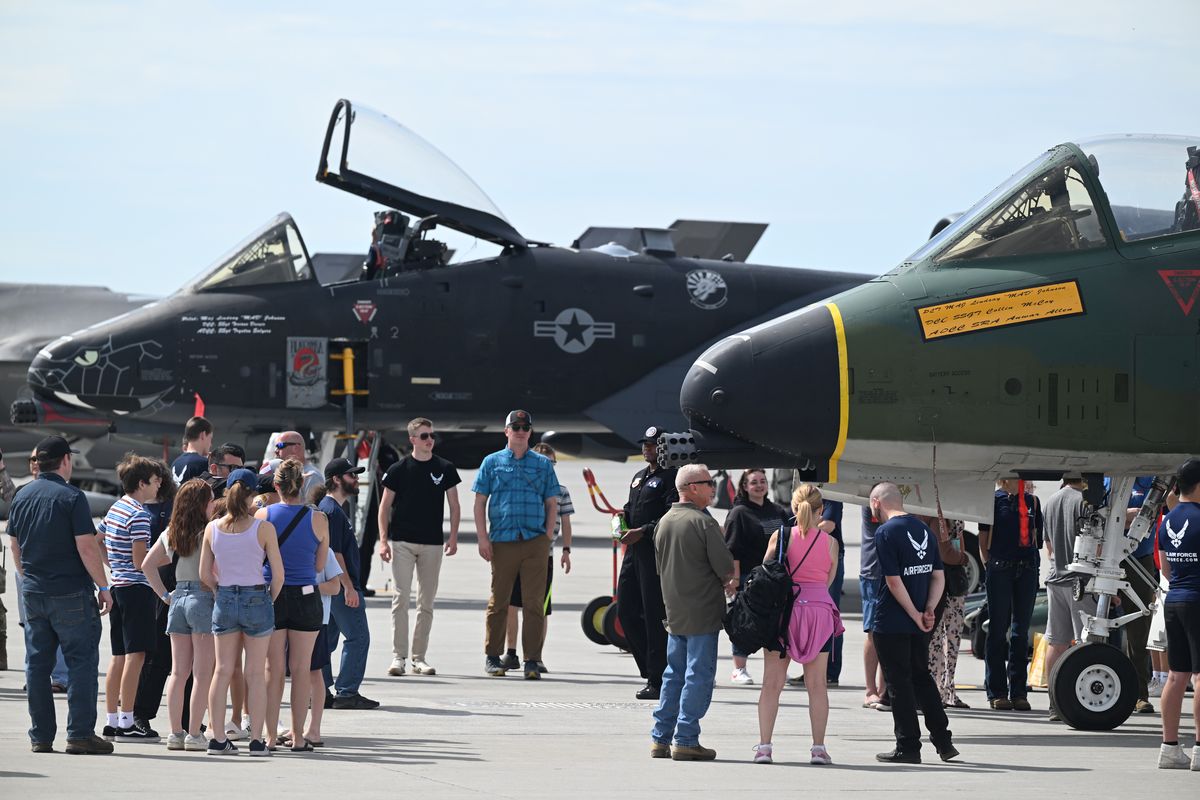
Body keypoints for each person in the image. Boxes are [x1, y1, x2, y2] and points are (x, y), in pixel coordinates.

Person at [7, 436, 114, 755]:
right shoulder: (72, 496)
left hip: (34, 592)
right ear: (65, 461)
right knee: (81, 662)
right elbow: (86, 545)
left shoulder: (22, 494)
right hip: (70, 593)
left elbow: (15, 545)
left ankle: (40, 735)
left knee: (37, 666)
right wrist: (104, 586)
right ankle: (79, 733)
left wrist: (28, 579)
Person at [649, 463, 735, 761]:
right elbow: (725, 567)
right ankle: (685, 738)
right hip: (702, 612)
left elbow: (660, 567)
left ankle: (661, 738)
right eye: (709, 482)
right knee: (698, 674)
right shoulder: (703, 523)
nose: (714, 487)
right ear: (693, 487)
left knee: (673, 674)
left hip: (675, 611)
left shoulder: (665, 521)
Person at [753, 483, 843, 766]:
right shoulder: (830, 542)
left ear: (793, 507)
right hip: (819, 613)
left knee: (772, 684)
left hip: (785, 612)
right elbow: (827, 582)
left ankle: (764, 747)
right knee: (817, 686)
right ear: (820, 510)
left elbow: (765, 573)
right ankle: (818, 748)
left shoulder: (781, 536)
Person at [869, 482, 958, 764]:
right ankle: (943, 741)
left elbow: (893, 581)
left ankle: (908, 746)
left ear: (876, 503)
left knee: (899, 684)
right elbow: (938, 576)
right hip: (920, 622)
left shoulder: (885, 532)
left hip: (893, 621)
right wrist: (927, 610)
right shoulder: (923, 530)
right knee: (922, 678)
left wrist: (913, 613)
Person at [201, 468, 285, 756]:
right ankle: (257, 740)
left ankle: (217, 736)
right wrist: (268, 598)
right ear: (252, 494)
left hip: (225, 595)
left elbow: (204, 573)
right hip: (256, 596)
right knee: (255, 672)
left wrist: (218, 591)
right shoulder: (263, 528)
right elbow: (278, 575)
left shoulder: (213, 528)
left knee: (222, 670)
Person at [472, 410, 558, 679]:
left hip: (534, 541)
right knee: (499, 601)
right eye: (516, 426)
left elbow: (552, 502)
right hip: (503, 541)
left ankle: (532, 660)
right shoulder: (491, 462)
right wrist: (482, 537)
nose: (521, 431)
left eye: (525, 427)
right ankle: (493, 656)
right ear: (506, 431)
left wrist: (546, 537)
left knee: (534, 604)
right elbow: (479, 502)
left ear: (530, 432)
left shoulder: (542, 464)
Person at [378, 418, 461, 677]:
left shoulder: (444, 468)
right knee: (400, 599)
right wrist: (383, 540)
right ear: (412, 439)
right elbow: (384, 507)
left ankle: (419, 657)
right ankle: (398, 657)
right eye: (424, 436)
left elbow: (455, 505)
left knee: (426, 602)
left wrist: (454, 536)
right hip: (402, 542)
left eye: (431, 435)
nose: (429, 440)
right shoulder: (399, 469)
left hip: (433, 544)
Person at [258, 459, 329, 752]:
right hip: (306, 594)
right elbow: (320, 564)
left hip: (271, 595)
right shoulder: (319, 519)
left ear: (276, 486)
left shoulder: (263, 515)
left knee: (273, 670)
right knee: (302, 670)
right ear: (301, 485)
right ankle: (298, 736)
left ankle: (271, 736)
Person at [141, 478, 217, 751]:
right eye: (209, 501)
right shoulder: (210, 531)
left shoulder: (172, 531)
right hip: (203, 598)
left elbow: (147, 565)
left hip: (178, 599)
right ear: (202, 504)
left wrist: (164, 595)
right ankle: (194, 733)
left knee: (178, 672)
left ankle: (174, 732)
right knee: (202, 673)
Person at [100, 454, 164, 742]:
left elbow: (97, 539)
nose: (158, 484)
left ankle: (112, 718)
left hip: (118, 587)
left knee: (119, 655)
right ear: (141, 483)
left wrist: (113, 564)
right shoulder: (139, 515)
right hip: (137, 590)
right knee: (136, 656)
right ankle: (127, 719)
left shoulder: (116, 508)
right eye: (154, 480)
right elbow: (141, 562)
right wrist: (163, 560)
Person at [618, 426, 678, 700]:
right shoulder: (639, 477)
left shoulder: (671, 478)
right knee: (626, 611)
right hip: (633, 551)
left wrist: (642, 531)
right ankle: (651, 669)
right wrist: (619, 523)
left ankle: (658, 679)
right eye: (645, 444)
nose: (647, 449)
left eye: (653, 445)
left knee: (655, 615)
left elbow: (670, 515)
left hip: (654, 550)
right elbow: (631, 509)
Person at [504, 442, 574, 673]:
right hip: (518, 551)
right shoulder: (524, 487)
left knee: (540, 608)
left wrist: (566, 550)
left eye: (551, 463)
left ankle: (535, 655)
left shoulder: (561, 491)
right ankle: (511, 652)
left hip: (546, 555)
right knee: (512, 604)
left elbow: (565, 522)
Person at [317, 457, 379, 710]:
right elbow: (335, 552)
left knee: (328, 640)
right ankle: (346, 692)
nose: (356, 480)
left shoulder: (332, 509)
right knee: (358, 637)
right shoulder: (331, 511)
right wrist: (349, 587)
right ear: (336, 479)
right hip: (341, 587)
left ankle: (321, 691)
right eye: (351, 475)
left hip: (334, 588)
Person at [978, 478, 1043, 710]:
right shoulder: (993, 501)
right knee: (997, 629)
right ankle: (996, 691)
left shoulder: (1032, 502)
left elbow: (1036, 538)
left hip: (1026, 567)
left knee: (1020, 632)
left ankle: (1018, 691)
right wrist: (990, 566)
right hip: (1001, 567)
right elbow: (983, 538)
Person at [722, 468, 788, 685]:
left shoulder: (777, 511)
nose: (759, 485)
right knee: (746, 622)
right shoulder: (739, 513)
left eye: (762, 481)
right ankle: (739, 669)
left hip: (774, 578)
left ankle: (776, 667)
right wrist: (734, 579)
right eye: (753, 482)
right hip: (749, 578)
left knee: (775, 623)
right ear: (744, 486)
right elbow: (732, 549)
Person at [1156, 459, 1200, 770]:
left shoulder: (1167, 521)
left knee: (1176, 675)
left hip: (1174, 601)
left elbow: (1166, 570)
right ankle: (1199, 748)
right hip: (1198, 600)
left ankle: (1169, 747)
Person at [1043, 478, 1096, 720]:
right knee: (1087, 642)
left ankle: (1054, 702)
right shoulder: (1084, 502)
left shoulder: (1050, 501)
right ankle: (1082, 699)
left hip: (1056, 577)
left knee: (1056, 642)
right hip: (1080, 580)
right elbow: (1095, 544)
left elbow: (1049, 546)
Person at [923, 516, 970, 709]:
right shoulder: (938, 515)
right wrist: (963, 558)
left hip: (945, 581)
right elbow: (945, 552)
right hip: (944, 579)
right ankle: (939, 690)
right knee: (942, 638)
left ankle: (945, 689)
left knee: (947, 638)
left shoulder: (949, 513)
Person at [1125, 476, 1161, 715]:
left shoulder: (1153, 481)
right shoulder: (1112, 480)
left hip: (1140, 558)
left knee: (1139, 630)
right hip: (1110, 553)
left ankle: (1139, 694)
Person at [860, 502, 888, 709]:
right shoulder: (873, 500)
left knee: (889, 632)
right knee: (873, 631)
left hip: (894, 570)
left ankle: (884, 690)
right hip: (874, 572)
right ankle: (871, 690)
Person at [271, 432, 323, 503]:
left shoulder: (312, 476)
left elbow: (313, 510)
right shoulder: (283, 473)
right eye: (275, 447)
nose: (276, 451)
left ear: (296, 447)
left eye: (280, 446)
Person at [172, 416, 213, 486]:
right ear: (203, 435)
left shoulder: (175, 463)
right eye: (210, 438)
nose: (210, 444)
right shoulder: (203, 464)